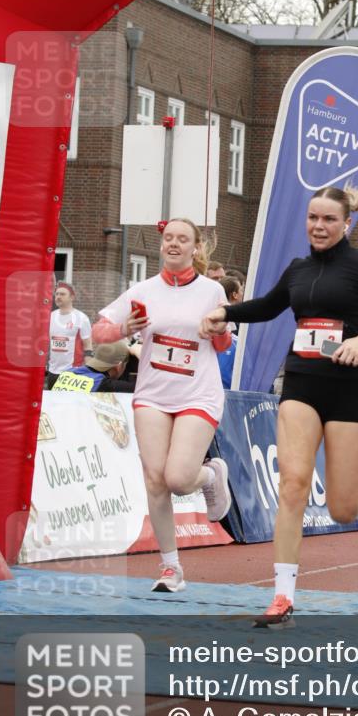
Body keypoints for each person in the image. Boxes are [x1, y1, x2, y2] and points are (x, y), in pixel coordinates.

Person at [200, 175, 358, 626]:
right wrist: (226, 312)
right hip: (302, 384)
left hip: (350, 390)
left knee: (342, 507)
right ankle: (282, 596)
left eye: (328, 219)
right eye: (312, 218)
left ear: (346, 223)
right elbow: (267, 306)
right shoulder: (298, 269)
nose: (318, 226)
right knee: (293, 485)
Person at [91, 218, 233, 593]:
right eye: (169, 238)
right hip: (153, 394)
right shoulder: (143, 290)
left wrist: (217, 330)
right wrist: (124, 329)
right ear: (161, 244)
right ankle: (171, 568)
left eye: (182, 239)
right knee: (155, 481)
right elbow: (99, 332)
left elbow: (225, 345)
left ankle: (210, 475)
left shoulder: (212, 291)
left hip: (197, 393)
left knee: (179, 479)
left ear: (195, 247)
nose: (173, 244)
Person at [46, 282, 92, 386]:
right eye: (57, 294)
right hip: (52, 371)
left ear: (72, 297)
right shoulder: (50, 316)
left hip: (72, 371)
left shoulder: (81, 318)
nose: (58, 297)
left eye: (62, 294)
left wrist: (88, 371)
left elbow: (88, 346)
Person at [52, 339, 135, 393]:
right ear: (119, 365)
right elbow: (141, 390)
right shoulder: (102, 384)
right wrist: (137, 350)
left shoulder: (66, 373)